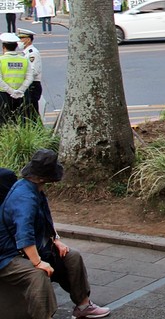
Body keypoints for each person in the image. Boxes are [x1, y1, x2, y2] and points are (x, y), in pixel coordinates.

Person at [0, 149, 111, 318]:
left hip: (29, 249)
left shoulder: (35, 189)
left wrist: (55, 239)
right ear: (43, 177)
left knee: (72, 256)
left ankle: (83, 305)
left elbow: (45, 219)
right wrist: (38, 263)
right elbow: (24, 235)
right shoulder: (25, 197)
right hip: (8, 256)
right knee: (38, 274)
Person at [0, 32, 35, 124]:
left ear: (3, 47)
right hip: (20, 95)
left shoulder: (1, 60)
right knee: (20, 121)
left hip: (3, 95)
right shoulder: (24, 59)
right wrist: (20, 90)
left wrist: (11, 91)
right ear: (16, 46)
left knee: (4, 122)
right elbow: (29, 77)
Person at [17, 29, 42, 117]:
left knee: (32, 112)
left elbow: (33, 71)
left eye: (21, 39)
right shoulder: (26, 53)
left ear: (28, 39)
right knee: (27, 112)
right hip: (27, 85)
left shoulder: (32, 53)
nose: (19, 41)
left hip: (32, 85)